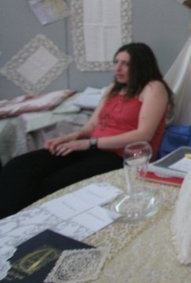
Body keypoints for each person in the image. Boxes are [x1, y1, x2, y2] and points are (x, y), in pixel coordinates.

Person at [0, 42, 173, 219]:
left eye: (126, 64)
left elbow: (144, 134)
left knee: (52, 183)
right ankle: (6, 223)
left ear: (141, 66)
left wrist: (90, 143)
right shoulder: (114, 88)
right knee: (18, 166)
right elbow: (91, 126)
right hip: (94, 147)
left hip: (121, 156)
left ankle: (22, 222)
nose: (117, 68)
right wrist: (70, 138)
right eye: (116, 62)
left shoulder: (153, 88)